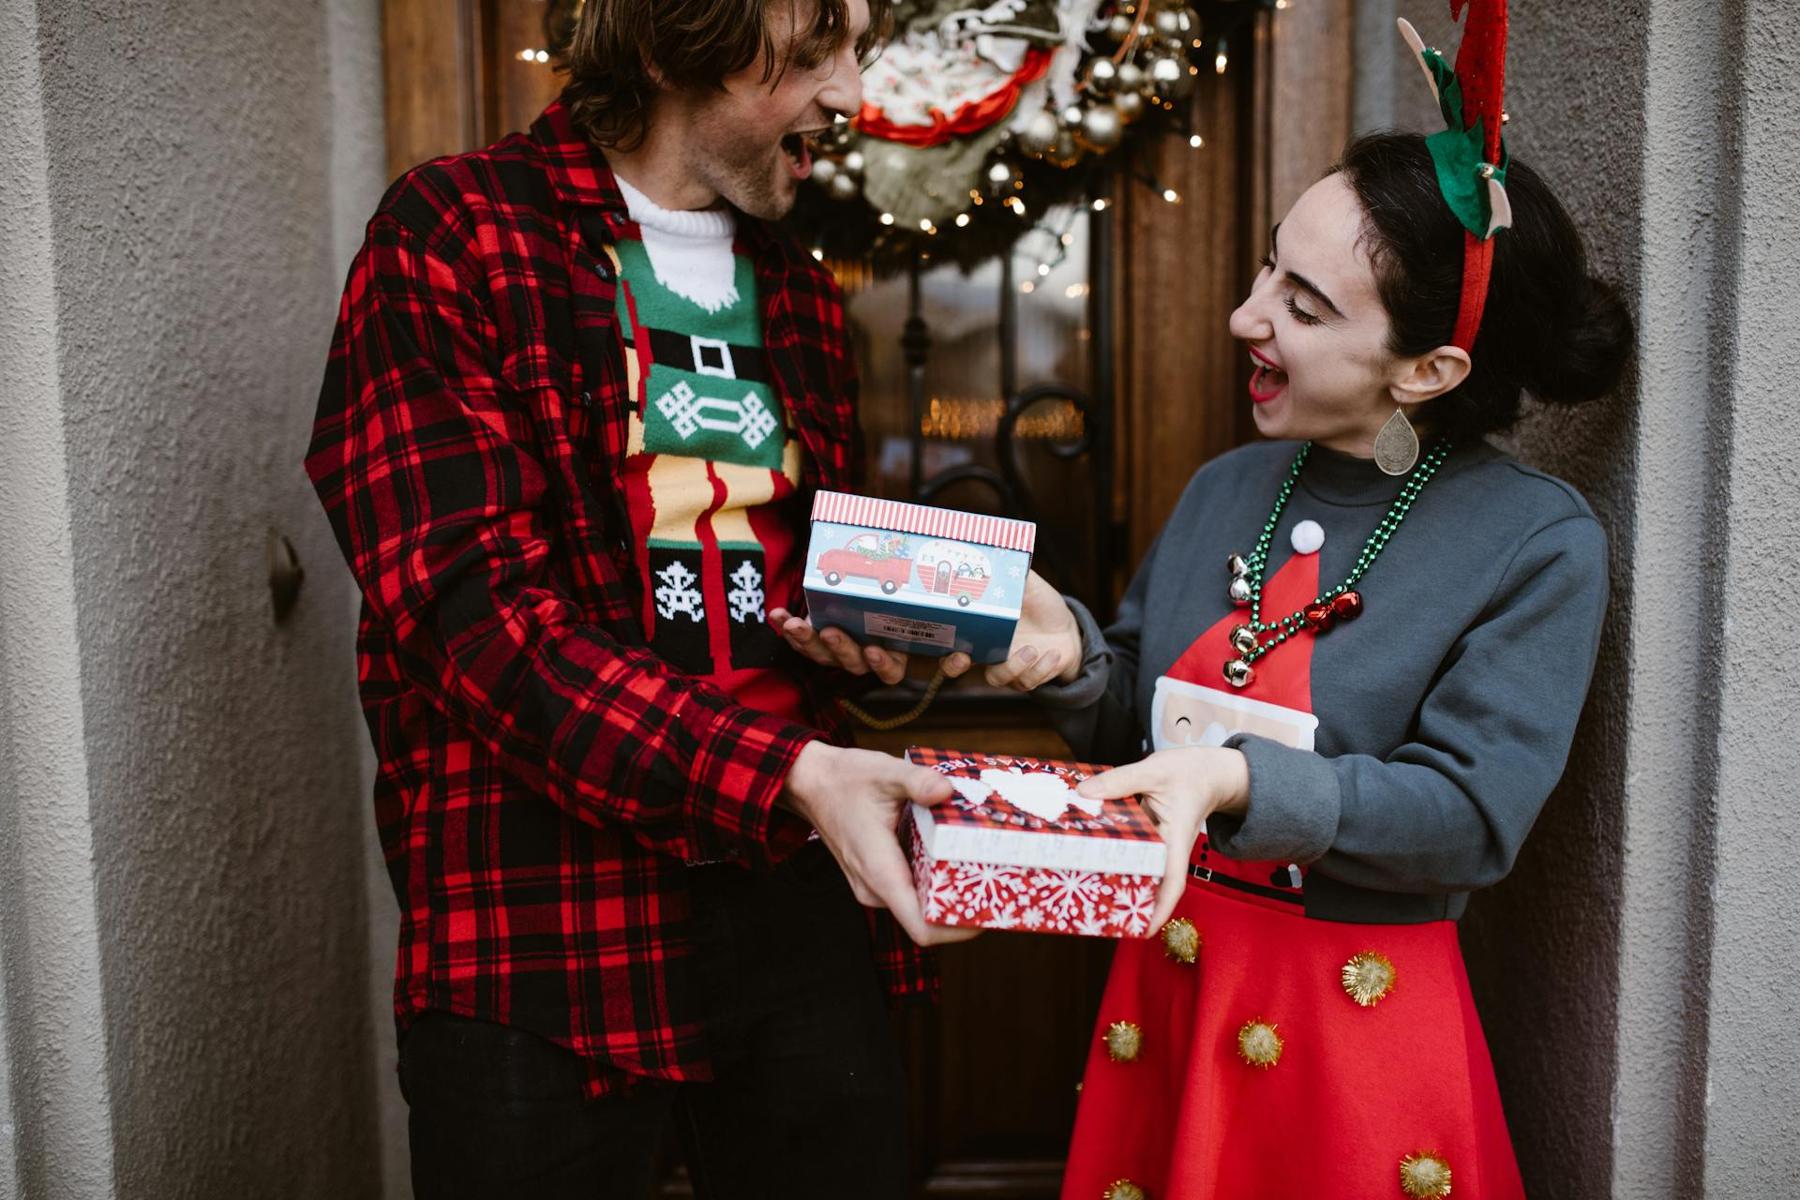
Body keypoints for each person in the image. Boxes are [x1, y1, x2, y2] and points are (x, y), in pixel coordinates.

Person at [305, 2, 973, 1196]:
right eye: (817, 48)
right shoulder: (453, 235)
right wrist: (788, 774)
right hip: (541, 926)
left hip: (796, 894)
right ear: (674, 41)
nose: (853, 93)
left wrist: (888, 643)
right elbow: (477, 623)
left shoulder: (804, 294)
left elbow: (796, 583)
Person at [900, 129, 1630, 1199]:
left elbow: (1473, 820)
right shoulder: (1228, 486)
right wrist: (1071, 662)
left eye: (1304, 304)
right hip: (1167, 992)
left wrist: (1237, 779)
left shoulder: (1535, 542)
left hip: (1349, 1022)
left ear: (1429, 370)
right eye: (1267, 267)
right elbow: (1134, 744)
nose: (1248, 315)